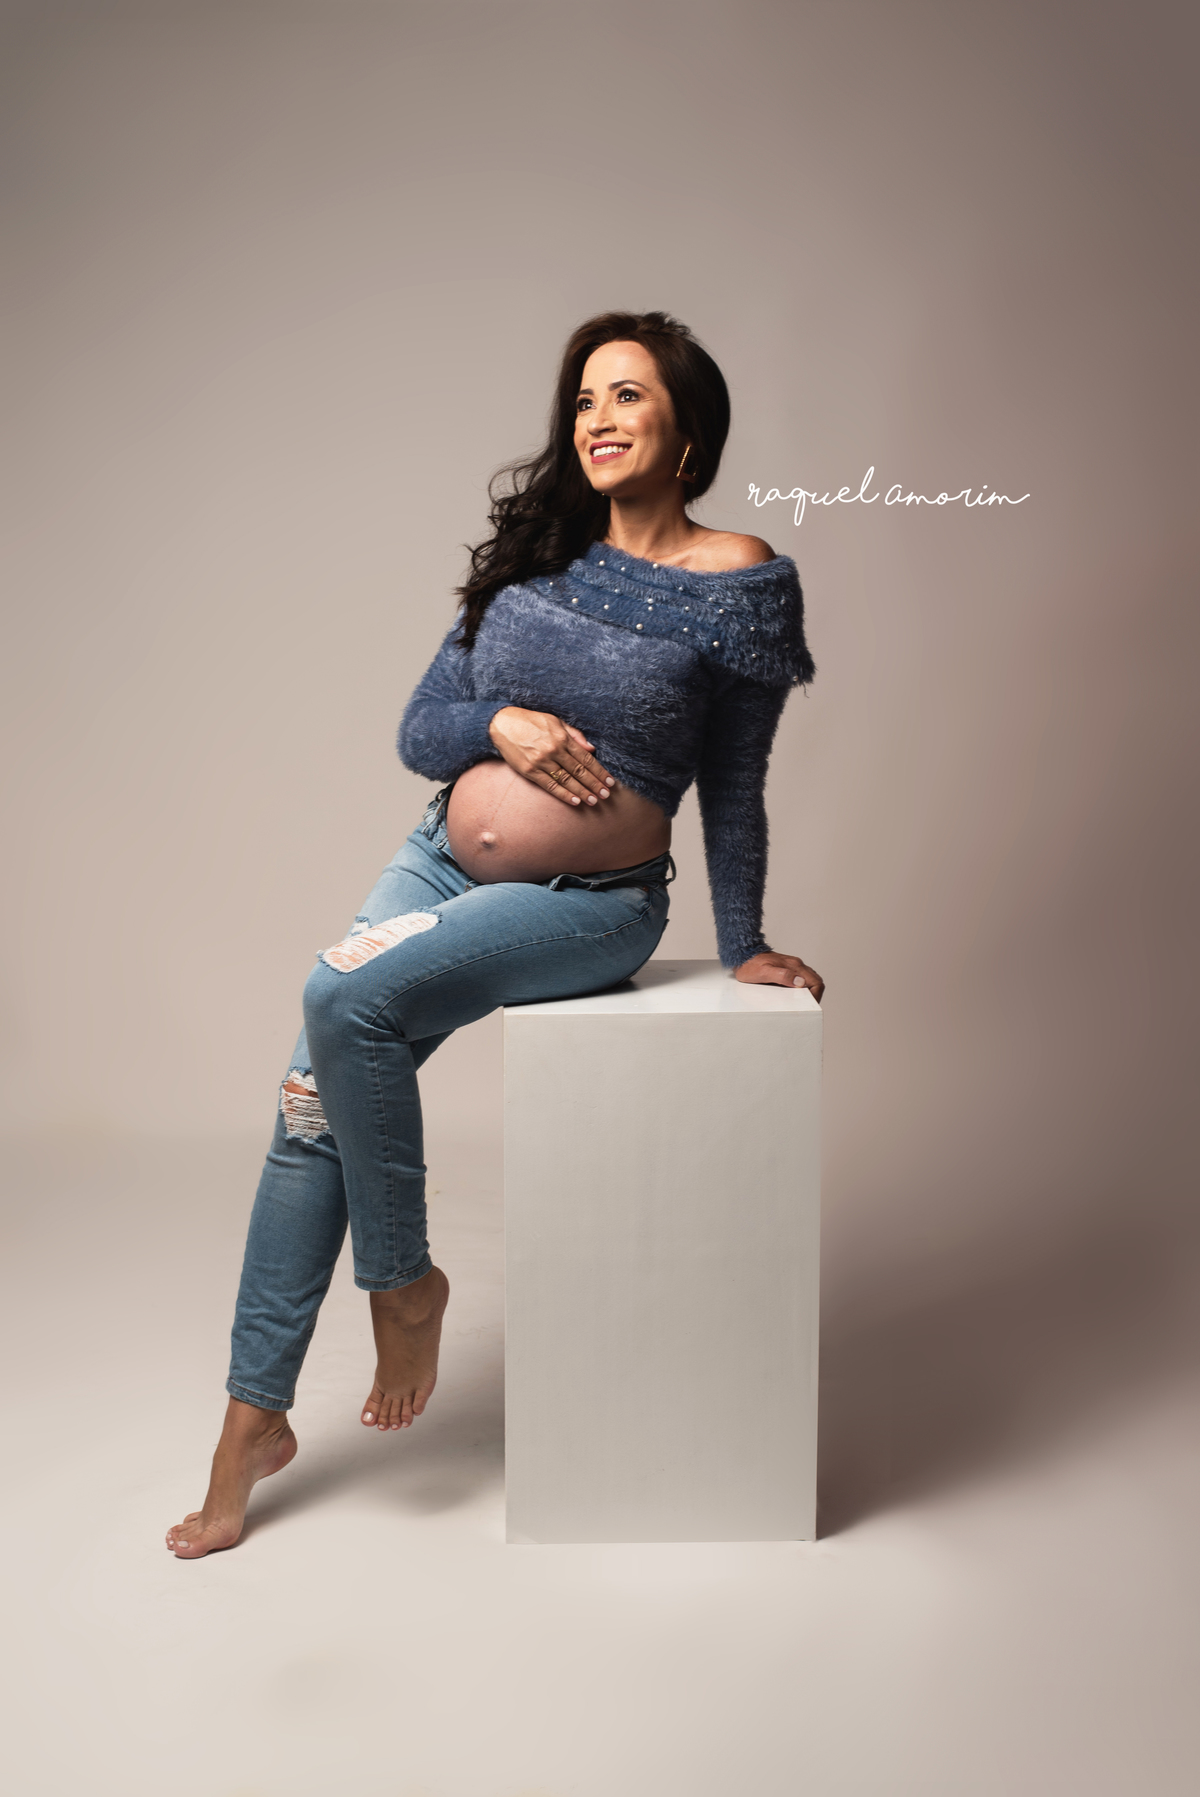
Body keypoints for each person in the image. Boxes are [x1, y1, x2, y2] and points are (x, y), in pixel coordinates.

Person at [166, 310, 824, 1558]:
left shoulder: (739, 583)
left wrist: (744, 942)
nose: (597, 420)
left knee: (339, 999)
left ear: (688, 429)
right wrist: (501, 725)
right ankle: (253, 1423)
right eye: (583, 400)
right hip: (436, 857)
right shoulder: (539, 562)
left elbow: (734, 785)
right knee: (307, 1105)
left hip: (587, 904)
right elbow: (424, 730)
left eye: (627, 395)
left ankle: (404, 1286)